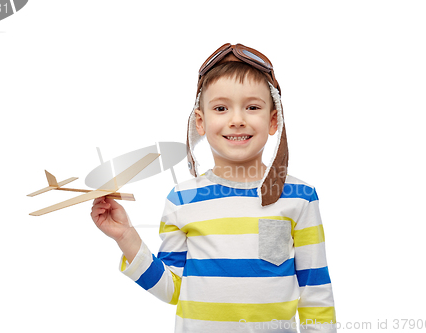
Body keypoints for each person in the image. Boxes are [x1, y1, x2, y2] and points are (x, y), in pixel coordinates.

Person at [91, 43, 337, 332]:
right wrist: (126, 238)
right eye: (221, 108)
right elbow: (172, 290)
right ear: (201, 121)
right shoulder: (182, 199)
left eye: (252, 107)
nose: (236, 120)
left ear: (274, 120)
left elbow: (315, 293)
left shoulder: (300, 198)